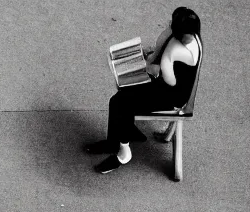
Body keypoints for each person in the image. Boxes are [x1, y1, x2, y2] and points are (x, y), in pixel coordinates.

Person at [85, 7, 201, 173]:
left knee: (120, 102)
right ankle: (120, 136)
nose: (186, 38)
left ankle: (123, 153)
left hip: (170, 94)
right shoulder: (190, 38)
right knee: (120, 95)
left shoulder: (184, 51)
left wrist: (149, 67)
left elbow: (166, 77)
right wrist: (152, 55)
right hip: (164, 82)